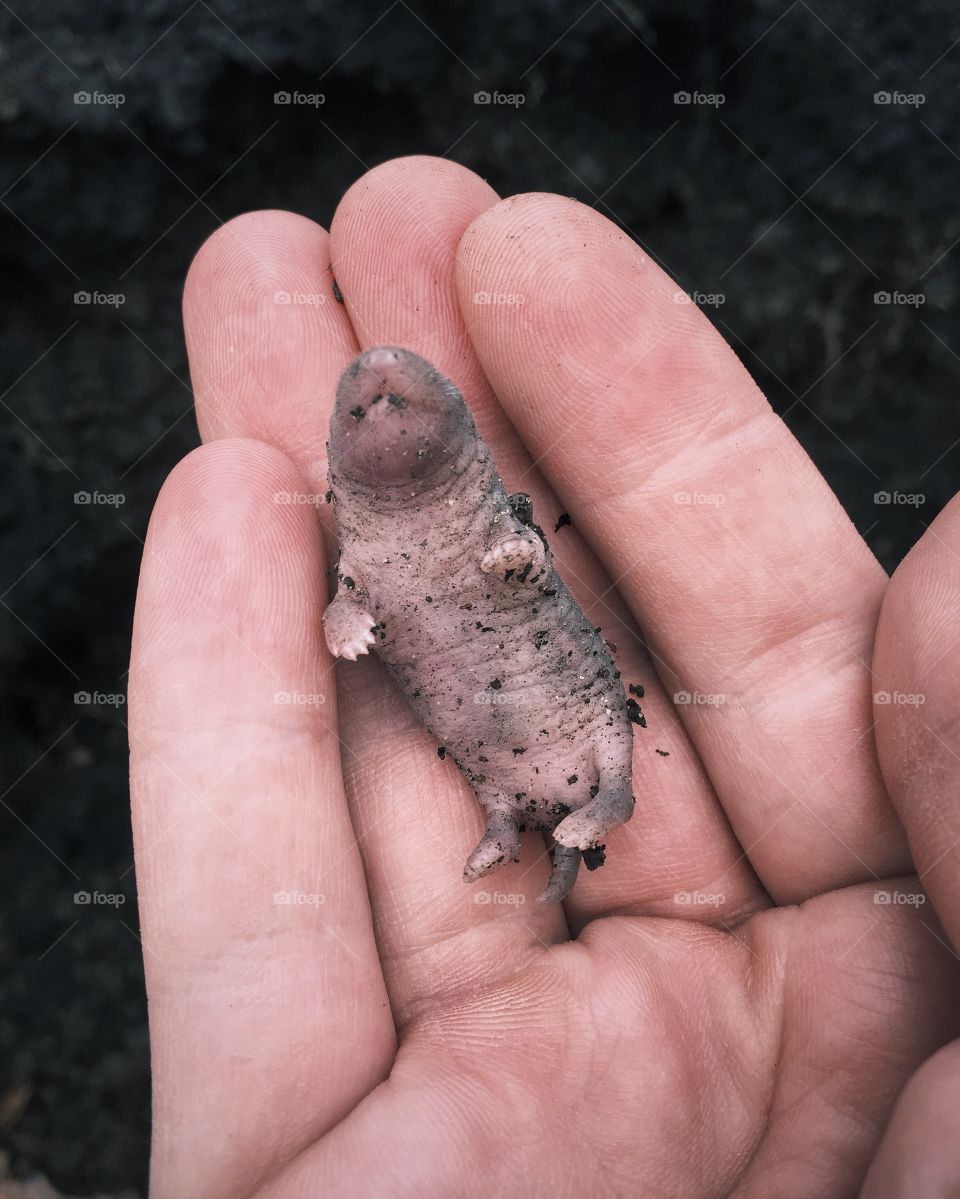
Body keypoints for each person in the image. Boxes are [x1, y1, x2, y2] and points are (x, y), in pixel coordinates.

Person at [128, 155, 960, 1197]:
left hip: (558, 688)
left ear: (455, 431)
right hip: (477, 719)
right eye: (361, 407)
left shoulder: (483, 501)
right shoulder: (365, 530)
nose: (379, 397)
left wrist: (518, 559)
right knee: (493, 780)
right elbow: (355, 588)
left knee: (604, 738)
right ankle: (505, 821)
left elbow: (521, 547)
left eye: (397, 394)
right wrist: (344, 610)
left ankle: (598, 804)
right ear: (343, 461)